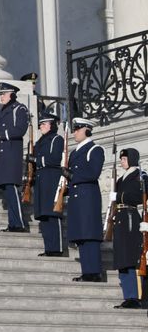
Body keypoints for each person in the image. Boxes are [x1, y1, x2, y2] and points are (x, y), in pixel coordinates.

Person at [67, 117, 106, 282]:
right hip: (77, 197)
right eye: (75, 129)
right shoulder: (74, 152)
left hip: (87, 197)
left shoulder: (95, 149)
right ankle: (87, 271)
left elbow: (93, 173)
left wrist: (72, 176)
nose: (74, 132)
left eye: (78, 129)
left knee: (89, 234)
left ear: (87, 130)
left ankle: (94, 272)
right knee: (81, 236)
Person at [111, 148, 148, 308]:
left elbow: (139, 196)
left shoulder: (140, 176)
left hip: (130, 216)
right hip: (120, 217)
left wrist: (119, 196)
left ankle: (135, 296)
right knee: (122, 258)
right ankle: (129, 295)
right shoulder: (122, 178)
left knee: (131, 257)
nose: (122, 161)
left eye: (124, 159)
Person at [0, 82, 30, 232]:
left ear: (12, 95)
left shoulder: (19, 109)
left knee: (12, 189)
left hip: (11, 154)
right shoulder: (1, 110)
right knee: (7, 190)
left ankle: (19, 223)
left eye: (4, 94)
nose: (1, 96)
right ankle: (13, 223)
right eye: (1, 94)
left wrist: (0, 135)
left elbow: (20, 130)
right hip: (2, 155)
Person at [32, 111, 66, 258]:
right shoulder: (40, 141)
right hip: (40, 177)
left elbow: (54, 158)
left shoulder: (56, 139)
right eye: (40, 124)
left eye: (44, 124)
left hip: (51, 177)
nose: (41, 127)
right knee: (44, 215)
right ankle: (48, 248)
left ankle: (56, 248)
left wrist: (36, 160)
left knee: (53, 213)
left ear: (51, 125)